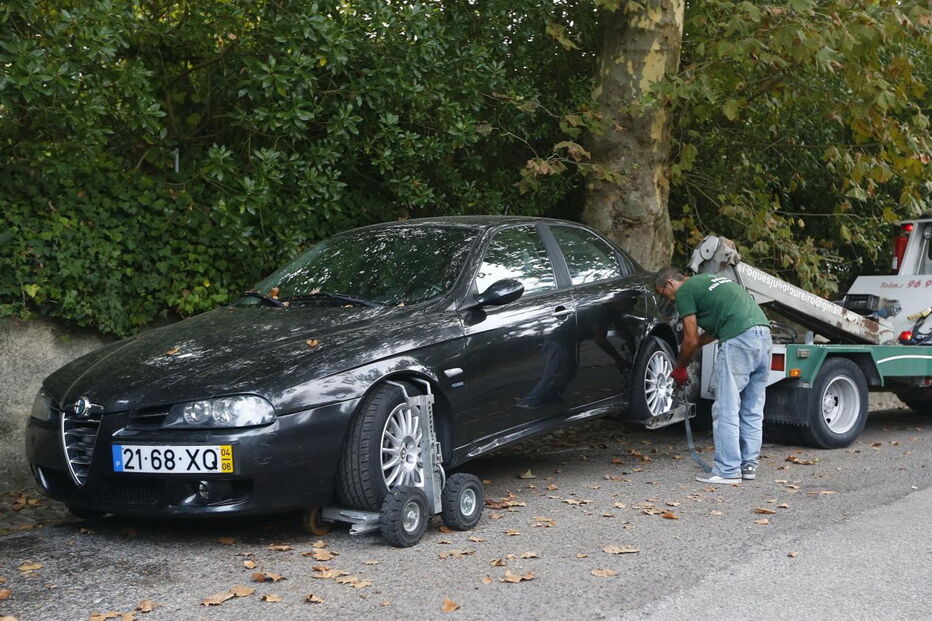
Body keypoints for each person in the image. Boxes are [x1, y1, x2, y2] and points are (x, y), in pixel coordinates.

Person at [654, 267, 772, 485]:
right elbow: (709, 332)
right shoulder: (709, 281)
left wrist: (680, 368)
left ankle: (728, 471)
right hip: (763, 337)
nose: (669, 300)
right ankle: (747, 466)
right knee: (752, 408)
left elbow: (689, 339)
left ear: (670, 283)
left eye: (664, 295)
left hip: (739, 340)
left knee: (726, 407)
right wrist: (697, 346)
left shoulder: (684, 291)